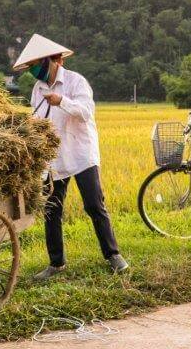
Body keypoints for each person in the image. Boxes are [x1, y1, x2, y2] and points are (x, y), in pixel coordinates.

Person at [13, 33, 128, 280]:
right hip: (53, 160)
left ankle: (113, 255)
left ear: (54, 61)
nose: (34, 71)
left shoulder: (76, 82)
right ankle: (56, 263)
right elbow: (38, 121)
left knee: (94, 205)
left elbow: (86, 112)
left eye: (36, 65)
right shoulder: (38, 88)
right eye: (31, 67)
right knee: (52, 210)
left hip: (80, 155)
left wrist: (61, 101)